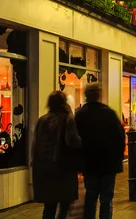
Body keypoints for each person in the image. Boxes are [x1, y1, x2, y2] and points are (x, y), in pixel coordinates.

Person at [75, 83, 126, 219]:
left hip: (90, 164)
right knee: (106, 198)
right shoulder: (108, 113)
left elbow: (76, 141)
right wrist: (118, 158)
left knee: (90, 196)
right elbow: (120, 137)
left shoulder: (80, 115)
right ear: (99, 95)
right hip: (108, 164)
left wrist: (79, 162)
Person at [33, 91, 82, 219]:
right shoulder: (67, 119)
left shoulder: (42, 120)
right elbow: (74, 142)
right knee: (64, 204)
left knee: (49, 206)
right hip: (63, 168)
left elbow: (35, 145)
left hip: (45, 168)